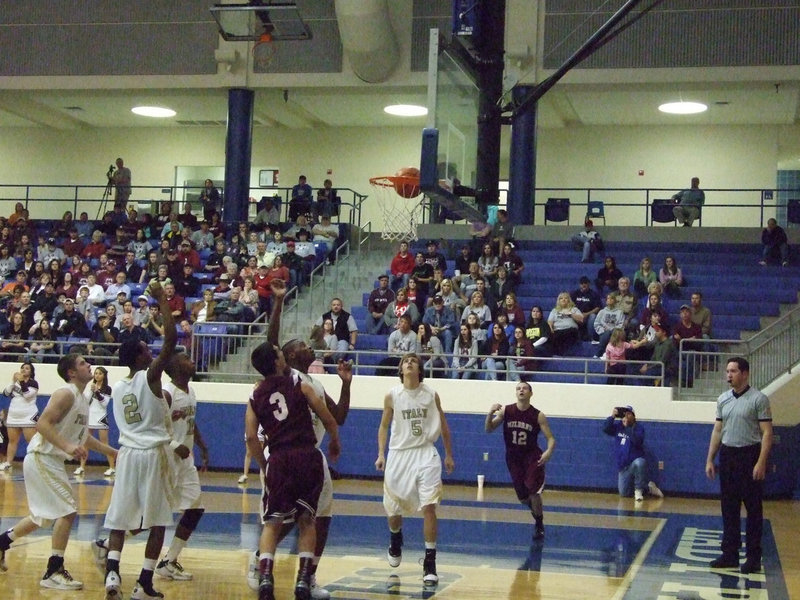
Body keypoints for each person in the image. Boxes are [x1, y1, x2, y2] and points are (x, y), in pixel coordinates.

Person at [259, 279, 352, 598]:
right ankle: (261, 564)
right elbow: (270, 343)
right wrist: (279, 303)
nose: (307, 347)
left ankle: (308, 577)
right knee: (283, 518)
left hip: (312, 457)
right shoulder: (285, 376)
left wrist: (346, 384)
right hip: (285, 456)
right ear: (286, 356)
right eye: (300, 345)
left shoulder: (316, 381)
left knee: (321, 517)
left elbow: (338, 417)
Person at [0, 354, 116, 590]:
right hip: (43, 457)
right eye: (83, 363)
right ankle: (53, 571)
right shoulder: (65, 393)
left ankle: (1, 542)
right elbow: (42, 423)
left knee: (41, 517)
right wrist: (67, 446)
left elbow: (85, 438)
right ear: (72, 372)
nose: (89, 366)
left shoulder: (83, 399)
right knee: (67, 511)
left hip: (51, 460)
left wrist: (114, 453)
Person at [98, 280, 177, 600]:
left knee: (119, 517)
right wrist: (162, 300)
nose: (150, 350)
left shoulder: (118, 387)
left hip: (127, 454)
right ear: (140, 357)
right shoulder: (151, 376)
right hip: (151, 453)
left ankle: (113, 572)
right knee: (157, 522)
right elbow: (171, 339)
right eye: (146, 349)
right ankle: (144, 581)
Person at [245, 341, 341, 600]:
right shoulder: (300, 386)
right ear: (279, 361)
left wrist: (264, 464)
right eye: (279, 353)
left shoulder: (255, 395)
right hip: (306, 456)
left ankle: (265, 576)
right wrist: (335, 440)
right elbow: (329, 418)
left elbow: (251, 438)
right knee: (308, 520)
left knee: (272, 522)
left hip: (278, 459)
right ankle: (302, 580)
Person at [375, 353, 454, 585]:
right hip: (399, 454)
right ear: (401, 370)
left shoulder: (431, 394)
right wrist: (381, 454)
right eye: (405, 362)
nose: (408, 363)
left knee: (429, 506)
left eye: (413, 361)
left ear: (419, 369)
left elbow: (444, 425)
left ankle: (430, 562)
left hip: (426, 453)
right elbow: (383, 426)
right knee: (393, 510)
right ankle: (395, 538)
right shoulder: (392, 395)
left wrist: (449, 454)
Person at [705, 357, 773, 574]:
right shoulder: (723, 399)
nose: (728, 375)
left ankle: (753, 557)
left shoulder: (759, 399)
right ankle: (730, 554)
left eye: (733, 371)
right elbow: (717, 430)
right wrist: (710, 459)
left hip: (749, 455)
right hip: (728, 455)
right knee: (729, 508)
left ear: (745, 373)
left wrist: (761, 461)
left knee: (753, 510)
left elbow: (767, 433)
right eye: (727, 371)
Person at [155, 352, 210, 582]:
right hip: (167, 459)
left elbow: (190, 422)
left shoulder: (191, 390)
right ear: (176, 367)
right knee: (155, 514)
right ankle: (109, 544)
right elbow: (154, 427)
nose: (192, 362)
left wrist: (202, 446)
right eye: (187, 359)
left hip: (186, 461)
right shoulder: (167, 394)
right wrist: (176, 444)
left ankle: (169, 561)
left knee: (195, 509)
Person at [485, 382, 556, 540]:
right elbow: (489, 429)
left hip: (532, 457)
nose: (521, 390)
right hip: (513, 457)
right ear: (515, 393)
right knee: (523, 498)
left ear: (531, 393)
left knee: (533, 490)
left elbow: (551, 438)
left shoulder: (538, 415)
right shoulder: (507, 411)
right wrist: (490, 413)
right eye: (518, 388)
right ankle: (536, 511)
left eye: (524, 388)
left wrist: (549, 451)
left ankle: (539, 524)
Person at [602, 406, 663, 501]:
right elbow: (605, 429)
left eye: (629, 414)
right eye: (624, 414)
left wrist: (627, 428)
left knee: (640, 462)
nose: (626, 416)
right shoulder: (619, 427)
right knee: (624, 493)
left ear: (634, 416)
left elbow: (637, 441)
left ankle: (639, 491)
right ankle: (649, 487)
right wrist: (612, 416)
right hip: (623, 467)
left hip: (635, 463)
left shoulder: (639, 428)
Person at [75, 366, 116, 477]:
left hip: (101, 418)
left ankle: (112, 467)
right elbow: (86, 401)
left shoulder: (107, 388)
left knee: (104, 443)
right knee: (85, 442)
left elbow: (104, 403)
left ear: (104, 375)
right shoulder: (91, 387)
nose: (97, 375)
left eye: (100, 373)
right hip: (90, 417)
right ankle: (81, 467)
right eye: (96, 373)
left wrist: (97, 392)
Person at [0, 362, 40, 471]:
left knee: (31, 441)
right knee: (12, 441)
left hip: (28, 414)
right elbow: (6, 393)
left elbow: (27, 395)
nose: (23, 370)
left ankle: (35, 464)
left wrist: (21, 381)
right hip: (14, 414)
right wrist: (13, 381)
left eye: (27, 368)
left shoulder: (34, 383)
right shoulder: (15, 383)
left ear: (31, 372)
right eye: (22, 368)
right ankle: (8, 463)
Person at [571, 276, 602, 340]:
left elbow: (598, 308)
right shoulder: (574, 294)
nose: (584, 285)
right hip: (577, 315)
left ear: (589, 284)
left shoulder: (594, 294)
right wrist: (576, 314)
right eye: (582, 283)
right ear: (580, 285)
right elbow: (570, 306)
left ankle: (591, 337)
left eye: (585, 283)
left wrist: (586, 314)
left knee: (593, 316)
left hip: (589, 315)